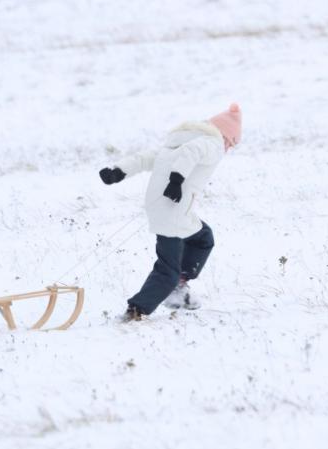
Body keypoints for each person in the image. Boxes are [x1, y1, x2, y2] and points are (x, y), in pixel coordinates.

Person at [98, 103, 242, 321]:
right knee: (168, 269)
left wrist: (118, 171)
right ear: (225, 136)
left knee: (203, 237)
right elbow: (192, 153)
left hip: (169, 208)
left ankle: (179, 285)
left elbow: (146, 158)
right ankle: (137, 310)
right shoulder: (211, 143)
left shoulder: (178, 142)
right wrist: (177, 179)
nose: (228, 148)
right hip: (173, 208)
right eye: (230, 143)